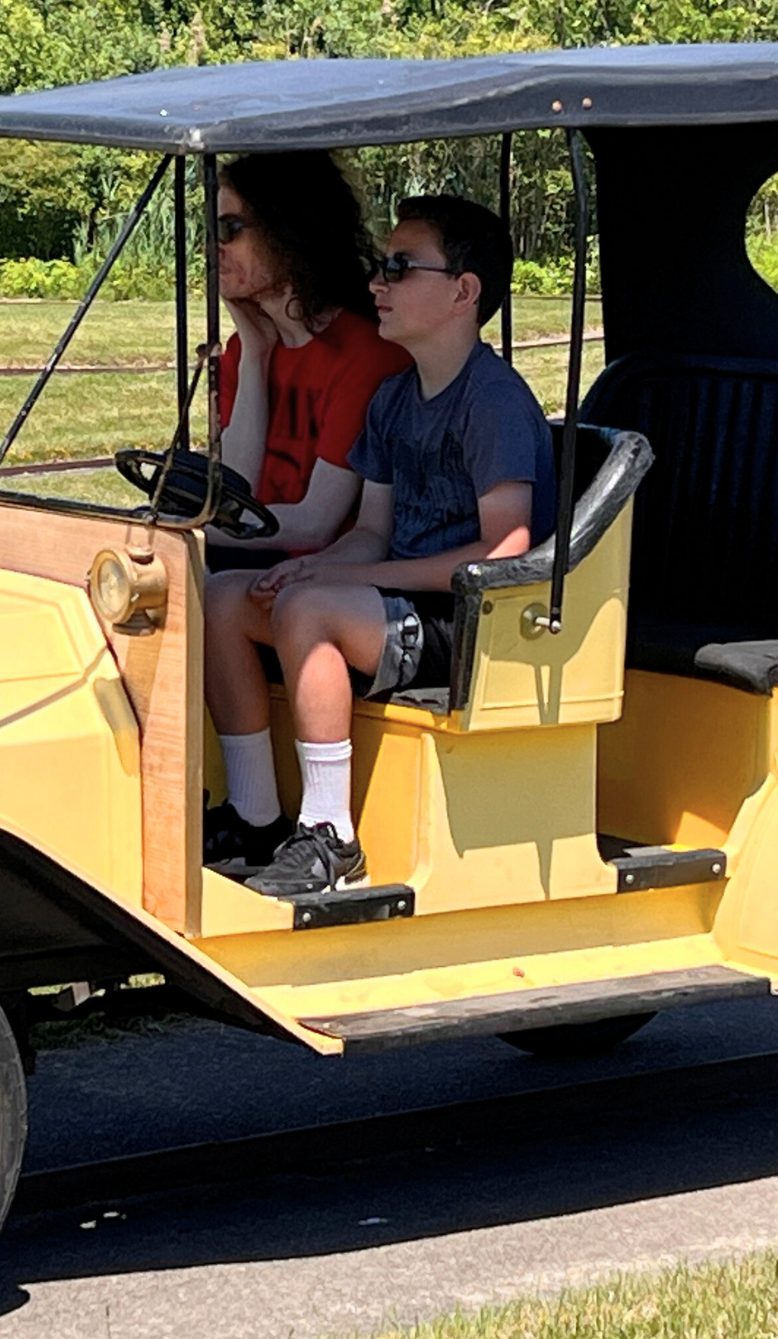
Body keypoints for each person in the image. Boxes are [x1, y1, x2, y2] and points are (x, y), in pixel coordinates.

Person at [203, 196, 555, 897]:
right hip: (399, 604)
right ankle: (256, 815)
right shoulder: (397, 398)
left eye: (399, 267)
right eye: (378, 266)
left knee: (308, 613)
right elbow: (370, 528)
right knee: (223, 598)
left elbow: (504, 549)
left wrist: (338, 584)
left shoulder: (492, 402)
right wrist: (315, 564)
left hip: (474, 624)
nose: (376, 284)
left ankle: (331, 834)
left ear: (464, 291)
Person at [207, 153, 412, 567]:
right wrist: (254, 356)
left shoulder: (366, 355)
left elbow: (316, 523)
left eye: (230, 229)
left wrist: (185, 527)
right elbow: (236, 489)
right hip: (256, 553)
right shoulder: (244, 349)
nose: (215, 248)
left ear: (288, 231)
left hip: (320, 573)